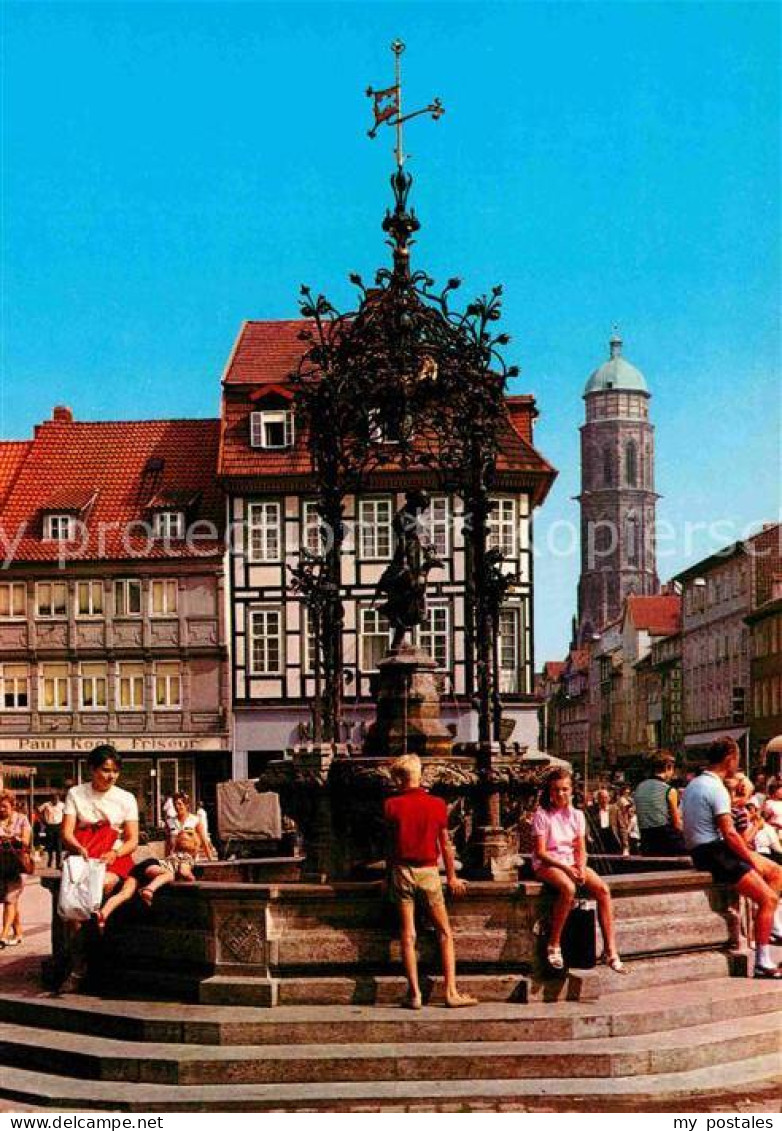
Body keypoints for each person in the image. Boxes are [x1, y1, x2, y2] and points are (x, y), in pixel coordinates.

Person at [681, 737, 782, 978]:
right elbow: (728, 832)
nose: (737, 765)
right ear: (730, 758)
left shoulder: (695, 784)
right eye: (736, 759)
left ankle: (773, 926)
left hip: (701, 849)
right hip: (714, 852)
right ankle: (763, 961)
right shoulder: (715, 788)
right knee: (768, 898)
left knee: (777, 872)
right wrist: (751, 857)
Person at [383, 754, 477, 1009]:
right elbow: (445, 845)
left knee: (408, 934)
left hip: (402, 872)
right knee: (445, 933)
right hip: (428, 872)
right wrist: (452, 876)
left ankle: (414, 994)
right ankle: (450, 992)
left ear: (401, 779)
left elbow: (390, 847)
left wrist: (386, 878)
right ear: (418, 775)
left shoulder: (391, 805)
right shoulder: (436, 804)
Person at [59, 744, 139, 989]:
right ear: (92, 769)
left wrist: (115, 853)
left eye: (115, 771)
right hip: (83, 854)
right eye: (105, 770)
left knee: (103, 887)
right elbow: (66, 832)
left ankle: (99, 955)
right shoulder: (76, 793)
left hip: (114, 855)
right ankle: (78, 965)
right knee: (73, 912)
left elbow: (132, 839)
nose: (110, 776)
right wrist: (77, 847)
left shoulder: (126, 798)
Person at [532, 768, 626, 974]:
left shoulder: (577, 815)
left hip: (570, 862)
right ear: (549, 792)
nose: (560, 794)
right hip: (548, 864)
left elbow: (581, 848)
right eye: (556, 790)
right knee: (568, 888)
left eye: (565, 789)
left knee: (603, 890)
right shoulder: (542, 815)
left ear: (571, 791)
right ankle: (554, 944)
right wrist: (567, 868)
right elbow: (540, 852)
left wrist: (581, 868)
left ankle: (610, 950)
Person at [131, 827, 200, 907]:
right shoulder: (187, 857)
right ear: (195, 845)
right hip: (155, 865)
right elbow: (183, 871)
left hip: (148, 865)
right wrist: (192, 877)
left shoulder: (174, 855)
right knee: (169, 874)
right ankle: (149, 890)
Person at [634, 753, 686, 856]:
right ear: (668, 767)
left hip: (646, 842)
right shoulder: (669, 790)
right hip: (668, 843)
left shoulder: (639, 788)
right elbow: (677, 824)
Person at [0, 790, 33, 947]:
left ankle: (3, 935)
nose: (1, 810)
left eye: (4, 807)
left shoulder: (21, 819)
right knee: (11, 901)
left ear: (12, 806)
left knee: (9, 899)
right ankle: (18, 932)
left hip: (17, 865)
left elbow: (26, 842)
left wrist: (13, 838)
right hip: (1, 866)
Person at [165, 792, 214, 859]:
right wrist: (166, 858)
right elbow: (167, 844)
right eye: (175, 804)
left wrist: (210, 859)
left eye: (179, 804)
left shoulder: (195, 820)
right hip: (175, 859)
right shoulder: (169, 822)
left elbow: (204, 841)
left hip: (191, 860)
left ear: (186, 805)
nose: (177, 807)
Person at [586, 788, 628, 856]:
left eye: (605, 797)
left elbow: (622, 828)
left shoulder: (615, 809)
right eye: (601, 798)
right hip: (599, 839)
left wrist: (625, 847)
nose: (603, 800)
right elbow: (587, 824)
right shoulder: (592, 810)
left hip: (612, 839)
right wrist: (588, 835)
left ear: (609, 798)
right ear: (598, 799)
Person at [39, 793, 65, 870]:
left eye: (57, 799)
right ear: (51, 799)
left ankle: (58, 864)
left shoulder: (62, 805)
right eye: (54, 799)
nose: (55, 801)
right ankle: (50, 861)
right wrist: (43, 820)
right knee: (50, 845)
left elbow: (67, 813)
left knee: (58, 846)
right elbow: (38, 810)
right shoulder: (46, 805)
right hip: (49, 826)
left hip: (58, 826)